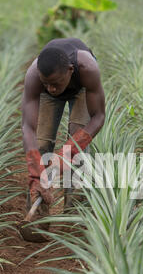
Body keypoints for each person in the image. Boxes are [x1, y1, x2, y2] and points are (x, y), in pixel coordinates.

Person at [21, 37, 105, 222]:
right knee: (41, 145)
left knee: (78, 145)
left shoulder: (87, 68)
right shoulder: (35, 76)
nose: (51, 88)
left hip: (81, 90)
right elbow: (28, 127)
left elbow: (99, 117)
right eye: (46, 83)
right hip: (49, 97)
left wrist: (68, 151)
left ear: (70, 70)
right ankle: (37, 219)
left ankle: (74, 214)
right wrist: (36, 173)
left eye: (55, 83)